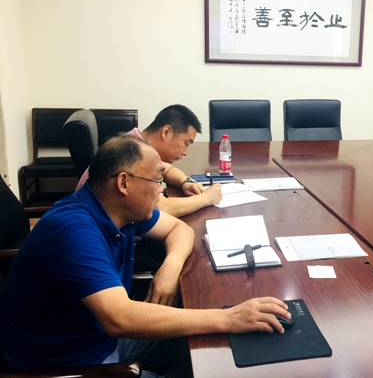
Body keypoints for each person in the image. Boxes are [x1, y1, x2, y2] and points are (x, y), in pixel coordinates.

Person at [0, 135, 290, 375]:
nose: (162, 190)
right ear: (124, 183)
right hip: (69, 362)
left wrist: (170, 268)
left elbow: (179, 229)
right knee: (214, 340)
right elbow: (119, 318)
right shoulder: (73, 231)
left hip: (96, 337)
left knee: (209, 345)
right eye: (157, 180)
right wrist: (228, 318)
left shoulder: (118, 208)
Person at [77, 104, 222, 218]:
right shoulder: (134, 157)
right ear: (166, 132)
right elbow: (163, 209)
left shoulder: (137, 144)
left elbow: (168, 169)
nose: (185, 152)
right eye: (186, 143)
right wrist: (206, 198)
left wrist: (185, 182)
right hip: (102, 233)